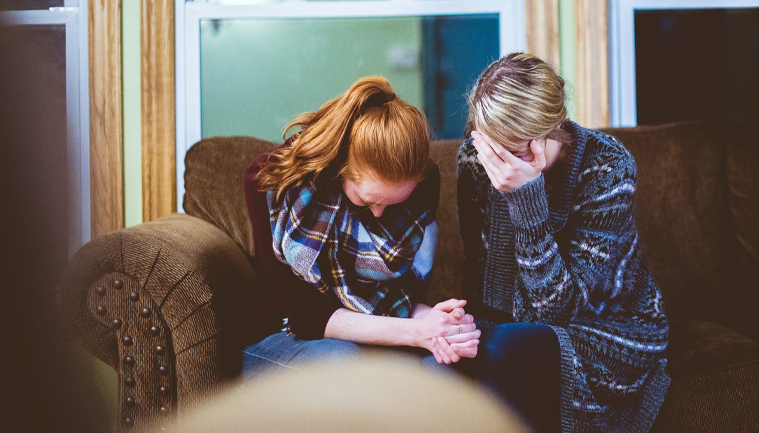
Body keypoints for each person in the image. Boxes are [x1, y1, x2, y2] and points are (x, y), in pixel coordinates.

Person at [456, 53, 671, 432]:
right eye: (492, 146)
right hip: (515, 327)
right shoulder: (476, 160)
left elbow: (558, 313)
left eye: (515, 149)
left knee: (504, 348)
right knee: (457, 356)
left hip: (610, 327)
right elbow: (484, 278)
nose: (499, 162)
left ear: (552, 127)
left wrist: (527, 200)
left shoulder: (607, 168)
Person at [238, 76, 480, 381]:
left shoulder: (422, 185)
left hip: (375, 329)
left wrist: (437, 324)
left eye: (392, 204)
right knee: (341, 360)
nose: (379, 215)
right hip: (281, 333)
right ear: (340, 166)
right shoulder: (270, 182)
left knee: (444, 368)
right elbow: (303, 314)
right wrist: (416, 332)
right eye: (367, 201)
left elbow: (400, 299)